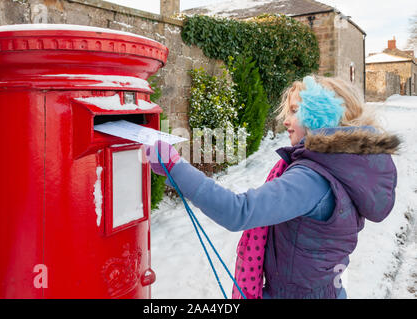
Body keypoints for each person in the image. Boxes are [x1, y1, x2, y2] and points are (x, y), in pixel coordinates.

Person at [145, 75, 401, 299]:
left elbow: (239, 211)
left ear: (320, 113)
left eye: (293, 111)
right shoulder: (344, 166)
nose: (285, 121)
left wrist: (176, 166)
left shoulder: (311, 178)